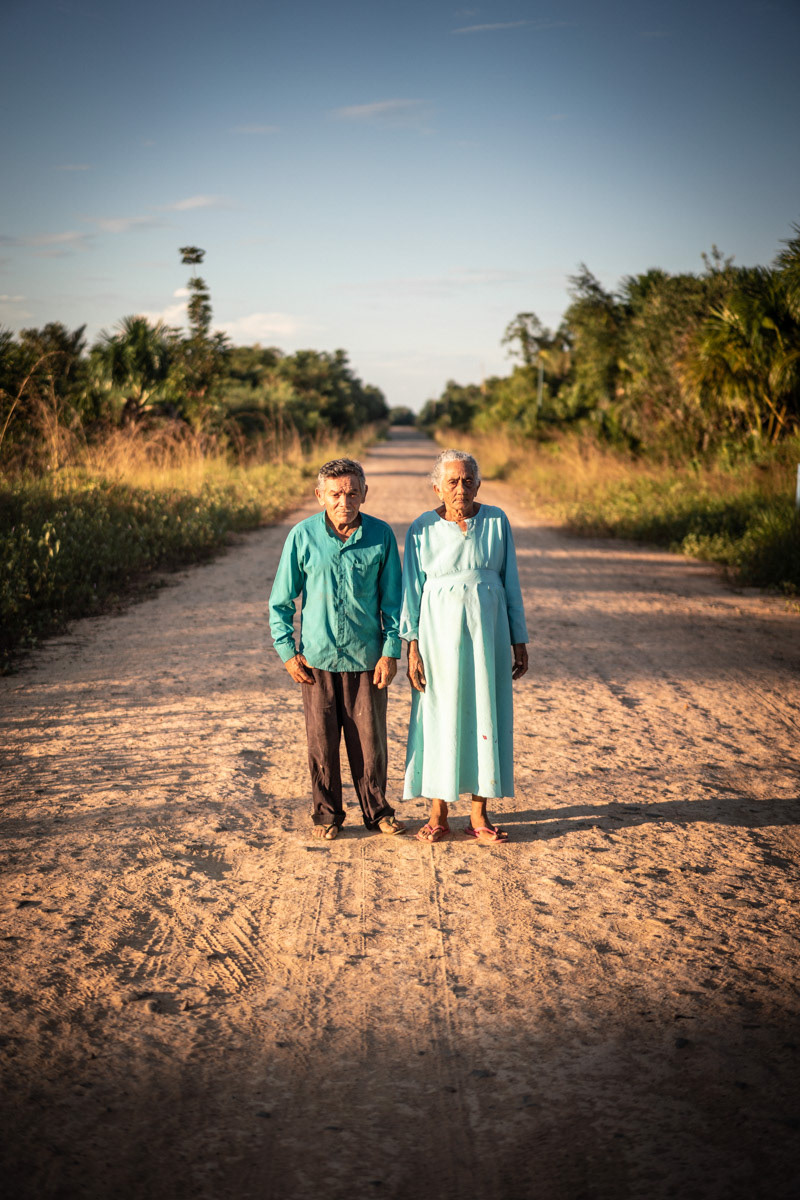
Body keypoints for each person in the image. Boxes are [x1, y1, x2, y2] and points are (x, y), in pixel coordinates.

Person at [269, 458, 406, 840]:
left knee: (370, 743)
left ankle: (378, 812)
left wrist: (390, 650)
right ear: (319, 496)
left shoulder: (381, 536)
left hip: (367, 658)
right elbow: (281, 601)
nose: (343, 501)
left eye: (351, 492)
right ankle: (327, 815)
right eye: (334, 493)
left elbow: (394, 602)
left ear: (364, 493)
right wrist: (287, 651)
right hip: (317, 661)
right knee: (322, 744)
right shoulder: (302, 536)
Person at [401, 449, 528, 844]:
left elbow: (511, 581)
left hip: (488, 633)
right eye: (452, 482)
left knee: (485, 713)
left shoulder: (496, 521)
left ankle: (479, 814)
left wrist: (518, 638)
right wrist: (412, 647)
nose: (461, 489)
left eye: (468, 480)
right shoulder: (421, 528)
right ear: (437, 486)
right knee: (440, 715)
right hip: (438, 636)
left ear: (478, 483)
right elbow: (410, 591)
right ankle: (438, 812)